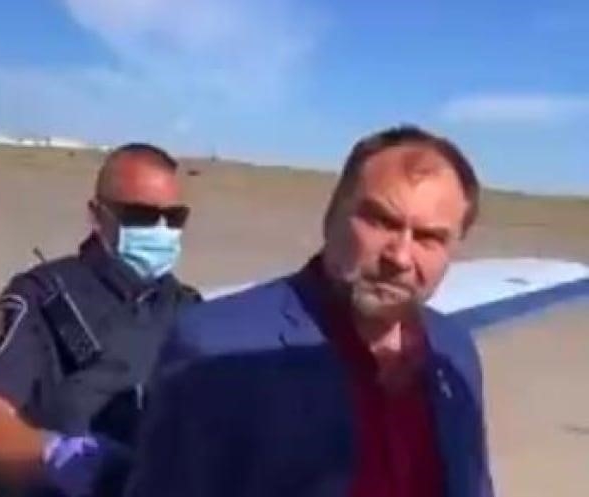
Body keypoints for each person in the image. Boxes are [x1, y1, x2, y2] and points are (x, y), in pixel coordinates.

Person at [127, 126, 495, 497]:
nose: (399, 257)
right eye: (380, 221)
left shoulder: (454, 353)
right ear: (332, 216)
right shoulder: (216, 351)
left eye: (429, 238)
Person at [0, 143, 202, 497]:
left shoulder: (189, 310)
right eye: (141, 217)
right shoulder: (43, 296)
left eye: (174, 218)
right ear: (97, 214)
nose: (161, 230)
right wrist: (52, 456)